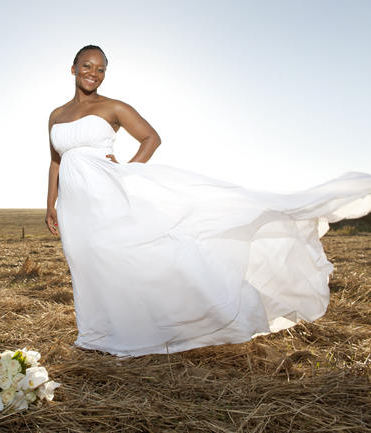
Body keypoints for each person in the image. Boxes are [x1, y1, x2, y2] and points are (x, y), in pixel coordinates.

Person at [45, 44, 371, 357]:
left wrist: (127, 173)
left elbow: (151, 138)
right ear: (73, 68)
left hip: (107, 193)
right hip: (74, 205)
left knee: (116, 256)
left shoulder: (113, 107)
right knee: (84, 261)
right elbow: (56, 161)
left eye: (101, 69)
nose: (94, 73)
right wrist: (50, 205)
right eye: (87, 66)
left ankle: (130, 330)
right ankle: (95, 332)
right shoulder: (56, 115)